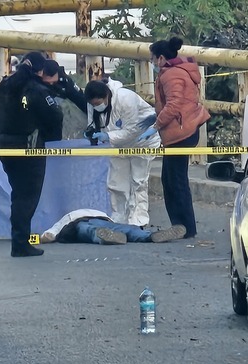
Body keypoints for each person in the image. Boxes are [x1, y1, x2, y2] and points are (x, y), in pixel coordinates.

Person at [0, 55, 85, 257]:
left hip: (5, 146)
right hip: (29, 148)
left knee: (18, 195)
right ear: (40, 71)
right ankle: (20, 243)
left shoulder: (5, 85)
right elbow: (54, 116)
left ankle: (19, 240)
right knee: (27, 197)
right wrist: (52, 140)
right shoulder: (36, 89)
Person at [139, 37, 211, 238]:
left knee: (175, 181)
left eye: (152, 58)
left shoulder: (171, 75)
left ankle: (185, 227)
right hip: (181, 130)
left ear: (161, 58)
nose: (152, 62)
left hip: (181, 132)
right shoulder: (174, 71)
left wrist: (156, 125)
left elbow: (174, 104)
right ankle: (181, 226)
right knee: (170, 180)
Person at [84, 79, 161, 227]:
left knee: (138, 181)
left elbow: (132, 131)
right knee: (116, 182)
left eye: (98, 103)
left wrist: (108, 136)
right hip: (117, 143)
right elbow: (92, 123)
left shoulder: (125, 98)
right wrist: (91, 132)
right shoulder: (92, 104)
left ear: (106, 95)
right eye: (93, 104)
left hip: (142, 141)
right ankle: (119, 218)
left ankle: (138, 221)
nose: (96, 107)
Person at [40, 209, 187, 245]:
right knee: (128, 229)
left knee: (90, 231)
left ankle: (105, 236)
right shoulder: (98, 211)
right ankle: (150, 235)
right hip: (103, 219)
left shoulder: (66, 218)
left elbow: (49, 235)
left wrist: (40, 238)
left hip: (79, 223)